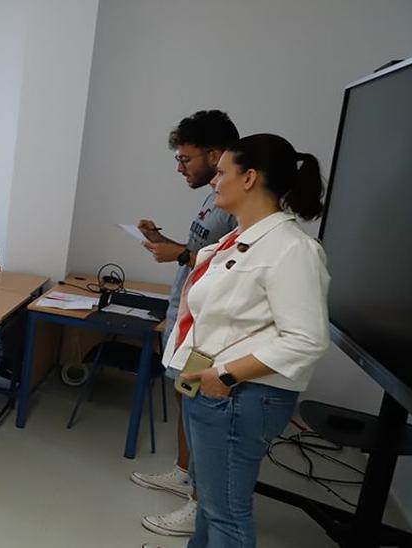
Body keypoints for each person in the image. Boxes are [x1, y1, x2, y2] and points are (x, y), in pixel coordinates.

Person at [166, 133, 329, 547]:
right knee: (211, 506)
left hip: (239, 395)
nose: (214, 182)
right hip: (211, 385)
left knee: (227, 516)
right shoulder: (239, 239)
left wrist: (227, 375)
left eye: (221, 172)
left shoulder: (292, 249)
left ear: (250, 178)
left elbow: (306, 339)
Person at [132, 110, 240, 538]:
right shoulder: (212, 195)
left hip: (210, 324)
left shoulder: (238, 200)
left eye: (186, 159)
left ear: (216, 155)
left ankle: (200, 502)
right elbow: (201, 249)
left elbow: (235, 265)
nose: (180, 168)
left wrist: (177, 254)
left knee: (204, 411)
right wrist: (164, 242)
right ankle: (183, 472)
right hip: (186, 315)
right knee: (186, 398)